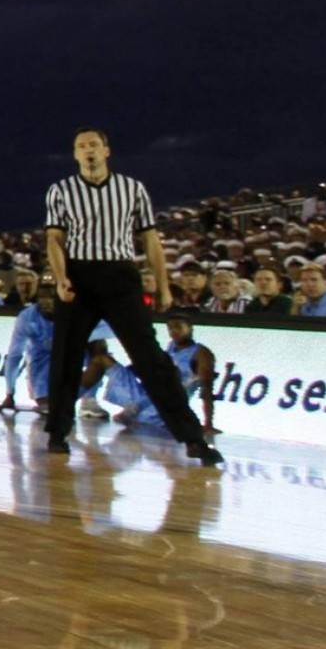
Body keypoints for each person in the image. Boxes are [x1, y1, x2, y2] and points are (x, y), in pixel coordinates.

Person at [41, 128, 219, 465]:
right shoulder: (60, 190)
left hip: (120, 274)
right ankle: (57, 432)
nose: (88, 150)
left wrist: (164, 286)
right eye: (81, 146)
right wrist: (62, 279)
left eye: (94, 145)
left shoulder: (132, 188)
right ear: (75, 154)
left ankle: (192, 438)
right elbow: (54, 239)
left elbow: (150, 239)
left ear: (107, 150)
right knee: (65, 355)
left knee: (150, 357)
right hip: (78, 274)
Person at [95, 315, 218, 438]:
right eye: (170, 328)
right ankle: (86, 400)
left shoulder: (201, 353)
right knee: (103, 360)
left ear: (190, 328)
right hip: (143, 400)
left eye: (178, 327)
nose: (173, 331)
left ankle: (135, 410)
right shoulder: (171, 348)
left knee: (167, 377)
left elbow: (206, 389)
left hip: (163, 410)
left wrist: (208, 423)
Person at [0, 275, 53, 413]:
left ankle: (89, 399)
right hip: (42, 365)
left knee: (96, 348)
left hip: (73, 360)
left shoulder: (74, 313)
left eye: (52, 297)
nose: (48, 302)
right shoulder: (28, 317)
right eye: (43, 298)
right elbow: (14, 356)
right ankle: (44, 396)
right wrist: (9, 393)